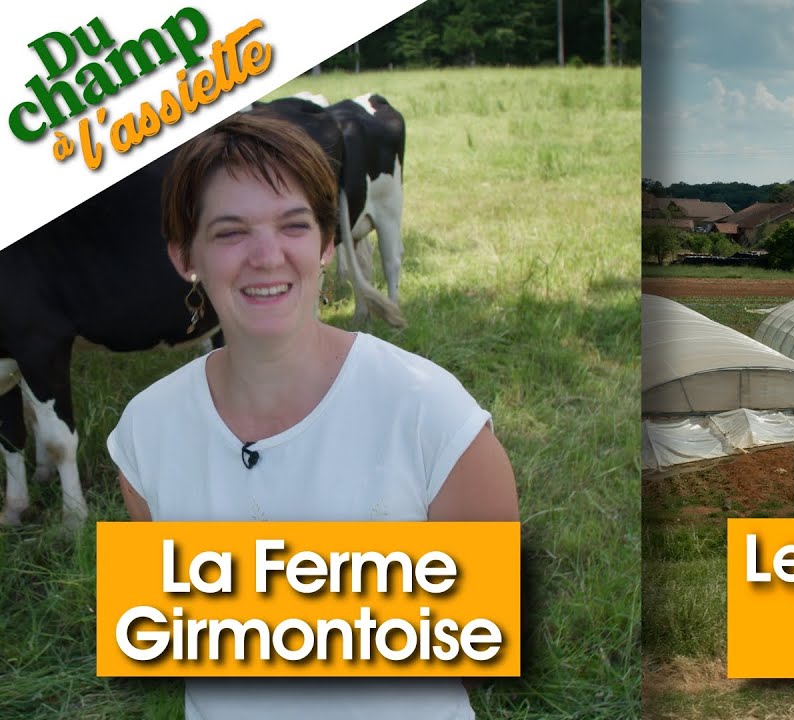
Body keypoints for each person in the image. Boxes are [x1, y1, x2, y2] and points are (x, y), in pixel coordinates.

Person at [106, 112, 518, 719]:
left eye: (294, 225)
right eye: (229, 232)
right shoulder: (143, 434)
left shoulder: (432, 415)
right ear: (183, 256)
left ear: (327, 242)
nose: (267, 255)